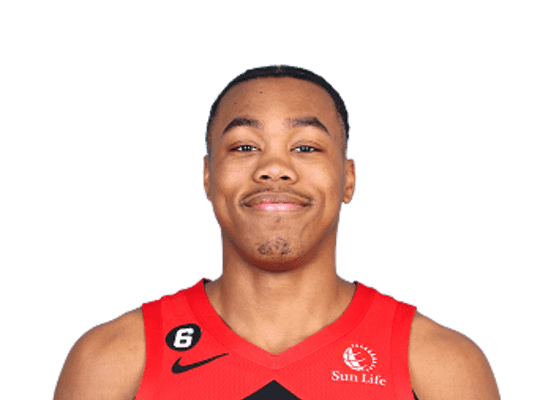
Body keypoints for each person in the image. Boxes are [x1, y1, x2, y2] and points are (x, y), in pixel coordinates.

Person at [53, 65, 501, 400]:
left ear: (348, 178)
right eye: (244, 146)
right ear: (208, 177)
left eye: (305, 147)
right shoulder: (113, 359)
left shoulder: (440, 363)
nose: (273, 168)